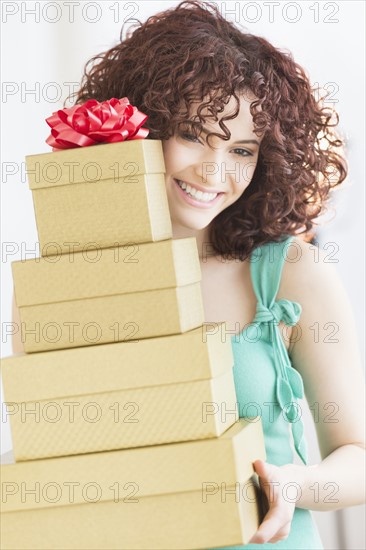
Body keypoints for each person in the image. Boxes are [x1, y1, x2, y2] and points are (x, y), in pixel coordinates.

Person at [12, 1, 365, 548]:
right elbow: (53, 450)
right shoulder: (68, 283)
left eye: (242, 150)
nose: (215, 172)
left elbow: (358, 458)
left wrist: (295, 484)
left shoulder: (287, 274)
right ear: (143, 127)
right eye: (195, 135)